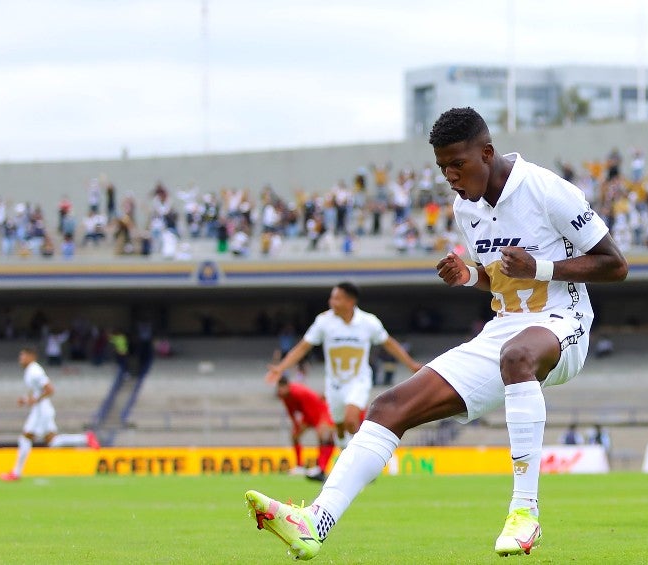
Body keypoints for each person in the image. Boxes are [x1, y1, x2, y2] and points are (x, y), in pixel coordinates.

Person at [246, 107, 628, 559]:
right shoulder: (464, 205)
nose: (449, 175)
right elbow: (501, 279)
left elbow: (615, 265)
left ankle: (525, 514)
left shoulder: (546, 190)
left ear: (486, 153)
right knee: (389, 406)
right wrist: (468, 276)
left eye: (457, 164)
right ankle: (315, 521)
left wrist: (540, 267)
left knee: (517, 356)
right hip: (504, 330)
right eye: (442, 166)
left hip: (565, 323)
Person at [264, 282, 422, 448]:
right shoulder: (324, 321)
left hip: (358, 381)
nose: (332, 302)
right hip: (334, 384)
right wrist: (281, 367)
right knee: (339, 428)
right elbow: (304, 346)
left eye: (337, 298)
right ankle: (344, 447)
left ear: (350, 301)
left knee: (351, 421)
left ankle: (364, 457)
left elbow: (388, 343)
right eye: (332, 298)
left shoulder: (368, 322)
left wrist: (410, 364)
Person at [0, 347, 99, 481]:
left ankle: (16, 473)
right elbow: (36, 393)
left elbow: (50, 389)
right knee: (53, 442)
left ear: (32, 356)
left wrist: (35, 399)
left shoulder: (35, 371)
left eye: (23, 356)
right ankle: (85, 438)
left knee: (25, 438)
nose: (20, 359)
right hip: (42, 409)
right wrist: (25, 400)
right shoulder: (30, 371)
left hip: (41, 410)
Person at [276, 376, 336, 482]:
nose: (280, 390)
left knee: (323, 436)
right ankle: (300, 466)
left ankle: (322, 468)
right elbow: (291, 411)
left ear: (287, 386)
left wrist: (316, 425)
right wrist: (296, 425)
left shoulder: (299, 392)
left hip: (320, 411)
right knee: (295, 436)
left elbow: (310, 408)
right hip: (308, 415)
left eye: (282, 388)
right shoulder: (284, 396)